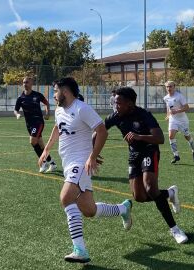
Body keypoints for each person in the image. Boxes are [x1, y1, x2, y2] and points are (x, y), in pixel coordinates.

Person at [39, 77, 132, 264]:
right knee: (89, 210)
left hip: (80, 162)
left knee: (66, 198)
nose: (53, 95)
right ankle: (123, 209)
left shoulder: (82, 108)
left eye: (55, 91)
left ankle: (80, 250)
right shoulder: (59, 110)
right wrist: (46, 150)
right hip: (68, 164)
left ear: (65, 91)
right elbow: (58, 128)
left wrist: (92, 156)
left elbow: (102, 131)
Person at [104, 86, 188, 244]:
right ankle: (169, 194)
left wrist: (139, 136)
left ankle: (175, 229)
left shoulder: (144, 115)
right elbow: (100, 130)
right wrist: (92, 154)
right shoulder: (115, 116)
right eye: (115, 103)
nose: (115, 106)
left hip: (149, 151)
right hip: (134, 155)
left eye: (118, 103)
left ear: (129, 104)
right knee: (140, 197)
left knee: (150, 188)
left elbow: (159, 138)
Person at [15, 76, 56, 173]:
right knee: (41, 145)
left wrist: (47, 113)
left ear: (31, 83)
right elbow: (16, 109)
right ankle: (52, 163)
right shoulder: (20, 98)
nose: (25, 84)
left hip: (38, 122)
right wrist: (17, 114)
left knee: (33, 141)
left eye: (27, 82)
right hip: (29, 124)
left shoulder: (37, 95)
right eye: (24, 82)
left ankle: (43, 162)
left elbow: (46, 103)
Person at [163, 81, 194, 164]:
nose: (169, 88)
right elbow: (168, 108)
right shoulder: (165, 98)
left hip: (182, 120)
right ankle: (176, 155)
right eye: (167, 87)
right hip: (173, 119)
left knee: (187, 137)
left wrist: (178, 111)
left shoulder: (179, 96)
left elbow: (187, 107)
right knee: (171, 136)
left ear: (174, 87)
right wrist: (168, 115)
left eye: (170, 86)